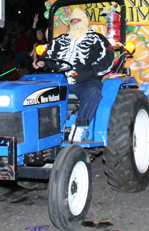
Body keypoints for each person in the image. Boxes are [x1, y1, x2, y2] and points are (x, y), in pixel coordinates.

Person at [35, 8, 114, 142]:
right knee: (34, 89)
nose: (75, 23)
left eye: (78, 20)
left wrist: (87, 74)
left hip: (85, 81)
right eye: (72, 20)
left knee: (93, 90)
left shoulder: (97, 39)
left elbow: (107, 60)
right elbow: (48, 55)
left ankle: (80, 126)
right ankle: (42, 129)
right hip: (60, 81)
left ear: (84, 22)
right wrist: (42, 61)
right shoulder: (59, 41)